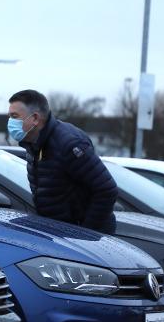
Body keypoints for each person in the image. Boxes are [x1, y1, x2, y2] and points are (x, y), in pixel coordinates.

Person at [7, 89, 118, 234]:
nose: (10, 122)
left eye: (14, 116)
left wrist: (85, 233)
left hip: (84, 238)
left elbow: (107, 190)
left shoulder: (69, 143)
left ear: (35, 118)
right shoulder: (34, 144)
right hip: (59, 232)